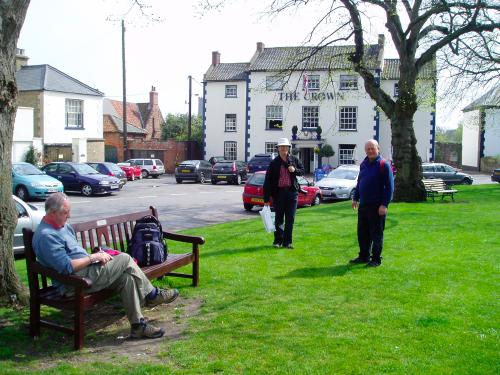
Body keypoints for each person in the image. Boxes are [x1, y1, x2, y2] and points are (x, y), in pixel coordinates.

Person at [32, 192, 179, 339]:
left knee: (126, 278)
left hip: (87, 271)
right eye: (65, 212)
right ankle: (152, 295)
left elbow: (76, 254)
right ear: (51, 212)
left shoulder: (63, 226)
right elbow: (66, 267)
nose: (68, 216)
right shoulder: (46, 236)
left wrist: (97, 255)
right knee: (125, 259)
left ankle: (138, 326)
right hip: (73, 283)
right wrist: (93, 257)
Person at [350, 139, 394, 267]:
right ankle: (364, 256)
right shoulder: (363, 164)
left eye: (372, 148)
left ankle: (376, 259)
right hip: (364, 205)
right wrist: (355, 198)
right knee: (362, 232)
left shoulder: (383, 164)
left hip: (377, 206)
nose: (370, 150)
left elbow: (390, 187)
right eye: (368, 149)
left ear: (378, 148)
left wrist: (384, 205)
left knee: (376, 233)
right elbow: (360, 183)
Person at [263, 137, 305, 249]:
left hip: (292, 193)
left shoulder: (294, 160)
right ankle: (278, 241)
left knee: (290, 218)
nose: (283, 149)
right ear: (278, 149)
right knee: (279, 219)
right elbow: (268, 181)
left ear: (288, 148)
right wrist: (266, 199)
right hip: (279, 194)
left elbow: (302, 171)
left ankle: (288, 242)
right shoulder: (274, 163)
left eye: (285, 147)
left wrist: (294, 170)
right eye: (281, 147)